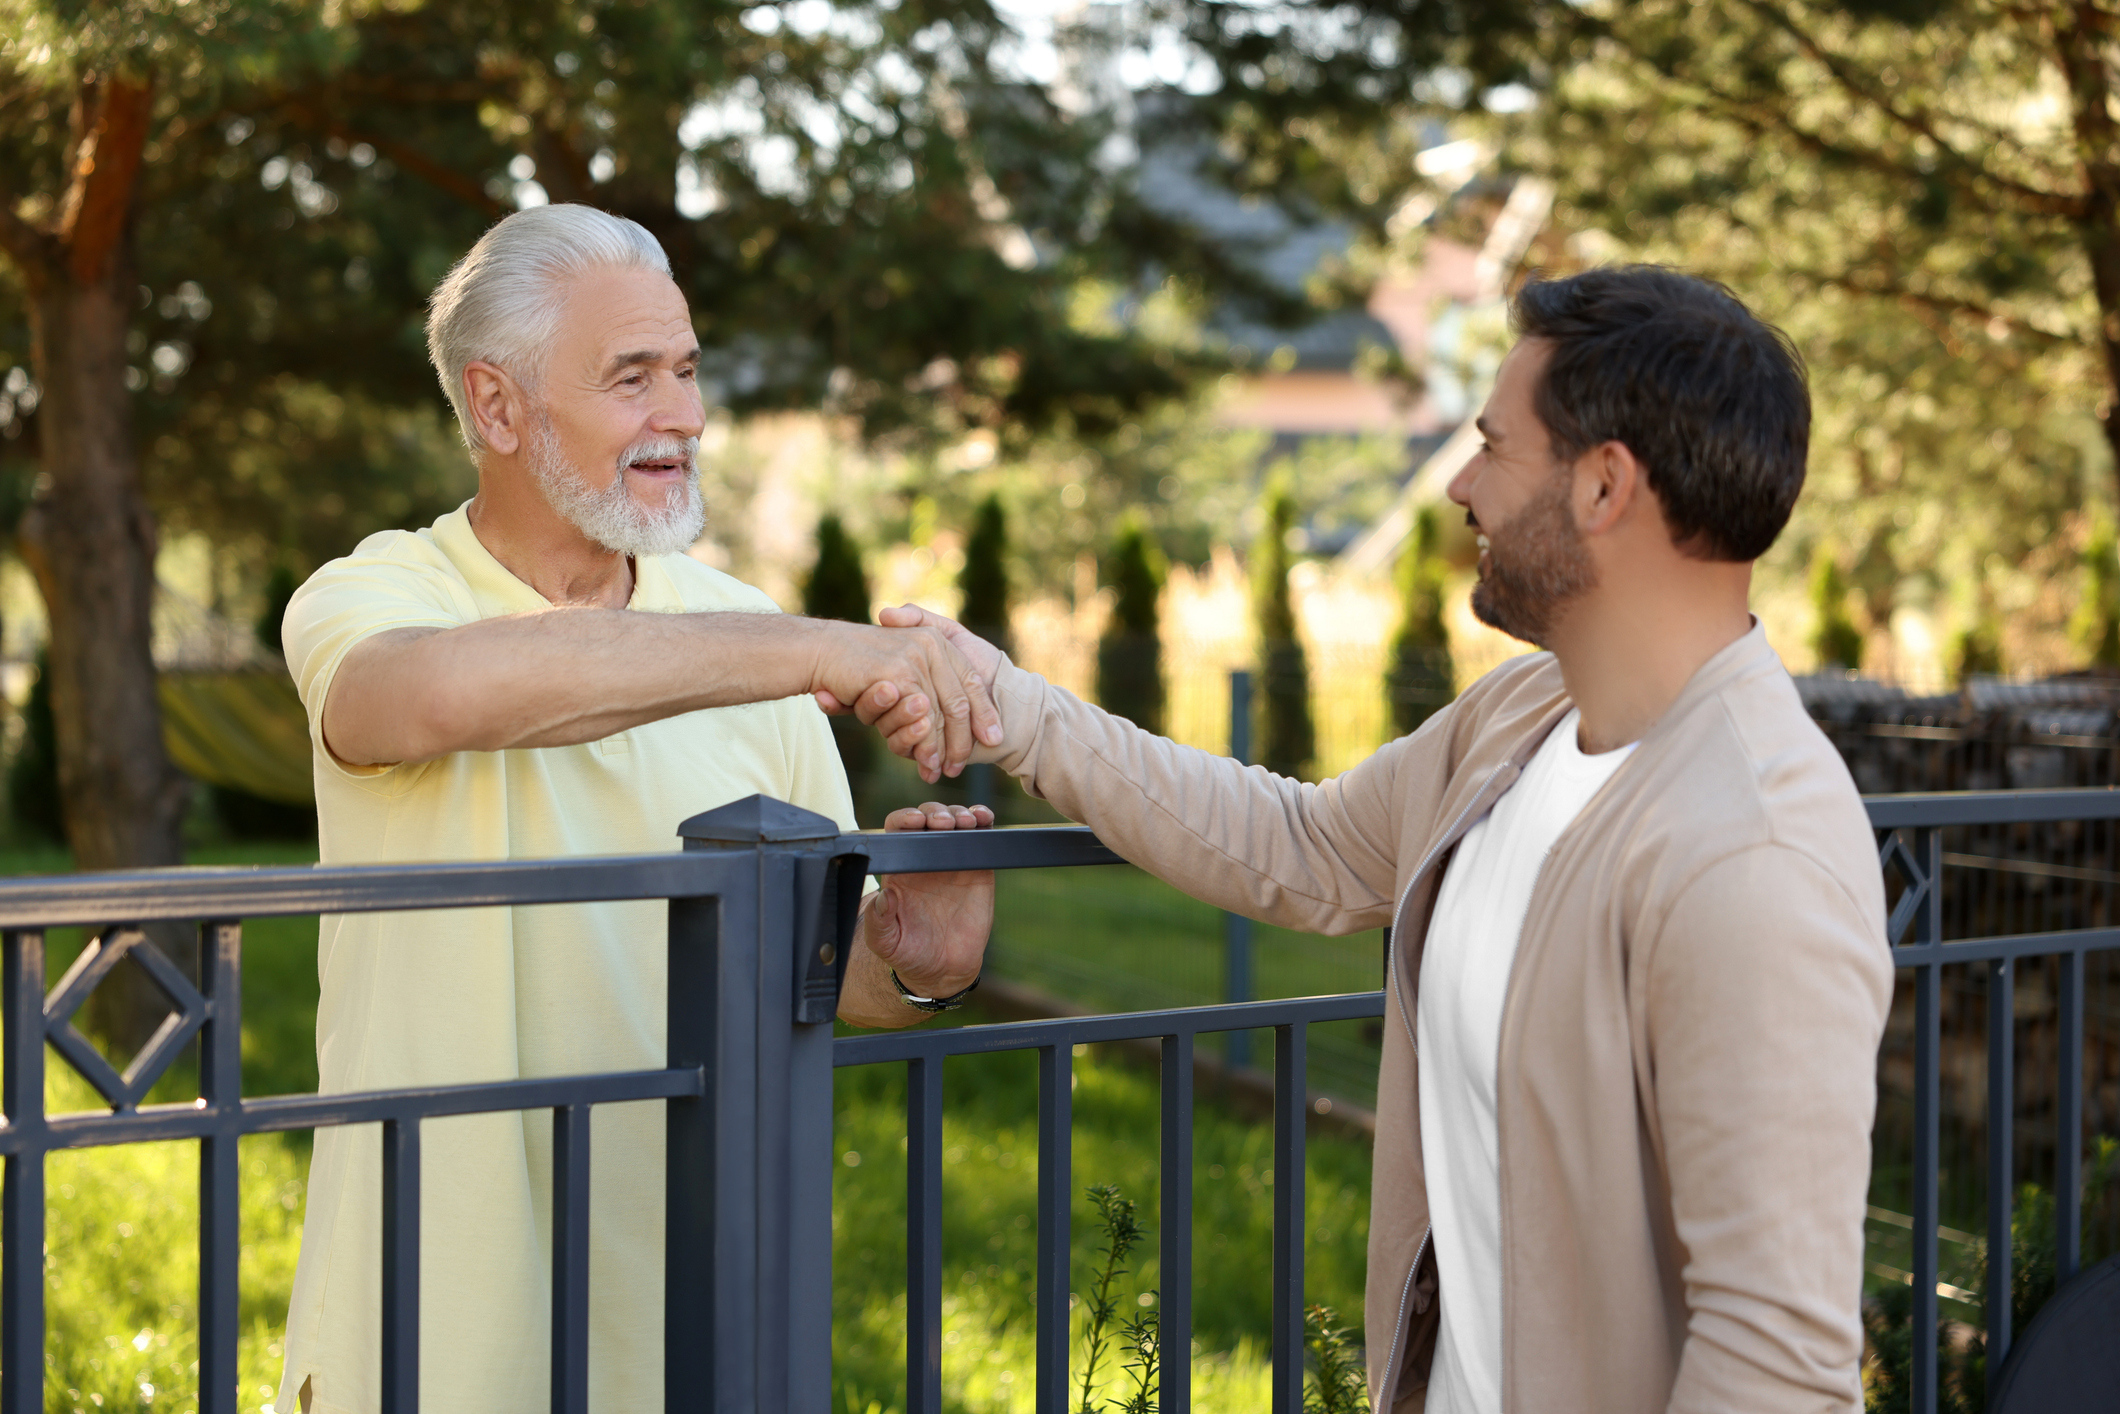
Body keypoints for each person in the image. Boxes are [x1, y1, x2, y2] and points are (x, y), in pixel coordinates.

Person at [872, 267, 1894, 1413]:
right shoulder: (1516, 719)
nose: (1460, 485)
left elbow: (1774, 1362)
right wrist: (1012, 707)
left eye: (1491, 447)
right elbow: (1297, 841)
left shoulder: (1750, 859)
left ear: (1603, 484)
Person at [273, 204, 1002, 1414]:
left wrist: (911, 961)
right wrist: (808, 648)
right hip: (435, 1328)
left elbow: (817, 979)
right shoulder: (378, 595)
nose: (686, 414)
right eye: (632, 377)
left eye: (686, 369)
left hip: (694, 1331)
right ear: (497, 406)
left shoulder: (751, 636)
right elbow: (431, 696)